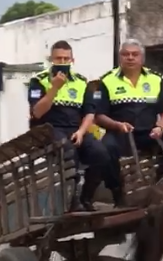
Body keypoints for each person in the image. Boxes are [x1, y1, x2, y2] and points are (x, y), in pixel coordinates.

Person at [94, 39, 163, 198]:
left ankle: (162, 179)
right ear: (120, 58)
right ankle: (117, 192)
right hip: (120, 134)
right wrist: (117, 125)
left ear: (142, 58)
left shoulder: (156, 80)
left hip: (150, 133)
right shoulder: (106, 81)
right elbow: (99, 116)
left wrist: (160, 127)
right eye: (126, 54)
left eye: (135, 54)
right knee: (105, 149)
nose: (130, 58)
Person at [28, 40, 117, 211]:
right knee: (69, 151)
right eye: (58, 59)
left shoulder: (82, 82)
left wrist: (82, 132)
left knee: (102, 154)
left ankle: (86, 197)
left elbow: (89, 112)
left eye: (66, 59)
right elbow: (37, 112)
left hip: (76, 130)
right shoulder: (38, 81)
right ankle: (71, 200)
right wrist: (54, 88)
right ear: (51, 60)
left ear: (72, 60)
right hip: (48, 130)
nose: (62, 63)